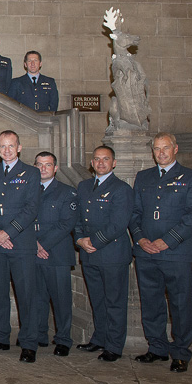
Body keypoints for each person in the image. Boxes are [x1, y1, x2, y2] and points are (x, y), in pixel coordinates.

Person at [130, 133, 192, 373]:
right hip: (146, 253)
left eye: (165, 148)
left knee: (180, 305)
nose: (161, 153)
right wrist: (141, 239)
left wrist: (167, 241)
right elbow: (134, 213)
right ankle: (157, 348)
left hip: (176, 253)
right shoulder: (143, 177)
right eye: (156, 149)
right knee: (151, 303)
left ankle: (181, 352)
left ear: (175, 149)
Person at [0, 130, 41, 363]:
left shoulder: (32, 173)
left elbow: (31, 208)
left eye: (11, 146)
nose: (7, 150)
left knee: (26, 294)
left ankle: (28, 343)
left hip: (21, 243)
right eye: (2, 146)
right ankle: (1, 338)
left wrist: (9, 231)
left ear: (19, 147)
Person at [74, 145, 133, 361]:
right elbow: (77, 218)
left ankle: (114, 346)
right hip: (89, 254)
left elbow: (118, 224)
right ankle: (100, 338)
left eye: (105, 159)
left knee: (114, 302)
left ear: (114, 163)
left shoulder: (121, 189)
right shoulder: (84, 186)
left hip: (112, 254)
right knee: (97, 300)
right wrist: (79, 239)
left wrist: (94, 241)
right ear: (91, 163)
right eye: (97, 159)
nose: (100, 163)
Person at [32, 151, 78, 357]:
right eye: (39, 165)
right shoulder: (28, 190)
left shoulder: (67, 192)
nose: (43, 168)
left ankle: (63, 339)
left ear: (55, 168)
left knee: (61, 299)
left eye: (48, 165)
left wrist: (43, 244)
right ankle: (40, 334)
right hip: (32, 252)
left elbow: (66, 223)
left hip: (57, 253)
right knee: (37, 297)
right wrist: (33, 244)